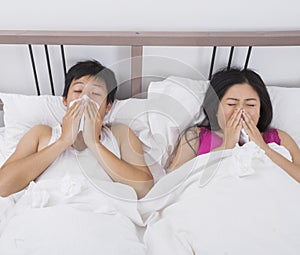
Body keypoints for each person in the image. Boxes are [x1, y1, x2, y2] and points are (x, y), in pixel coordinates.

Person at [0, 60, 153, 199]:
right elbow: (3, 186)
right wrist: (63, 141)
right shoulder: (41, 133)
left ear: (108, 106)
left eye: (96, 93)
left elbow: (144, 188)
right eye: (78, 91)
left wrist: (94, 143)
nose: (85, 99)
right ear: (65, 101)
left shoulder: (120, 134)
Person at [168, 68, 300, 182]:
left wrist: (263, 147)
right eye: (231, 104)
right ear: (214, 109)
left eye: (250, 105)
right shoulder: (195, 136)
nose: (241, 111)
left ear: (261, 110)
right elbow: (173, 182)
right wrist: (226, 146)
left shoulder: (279, 138)